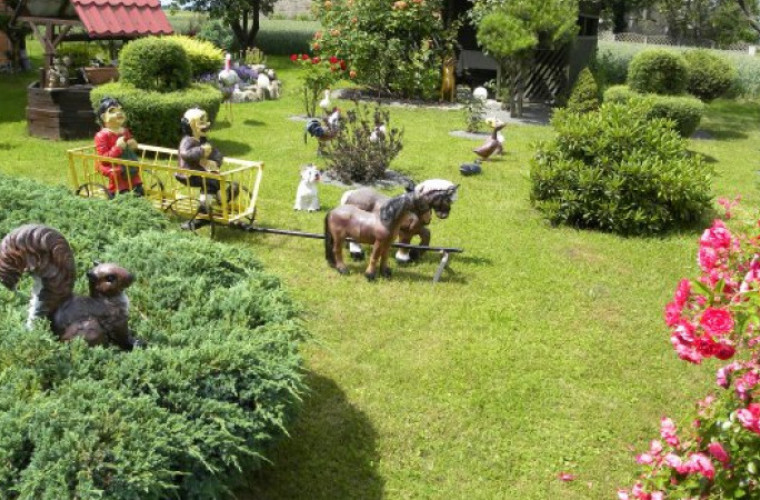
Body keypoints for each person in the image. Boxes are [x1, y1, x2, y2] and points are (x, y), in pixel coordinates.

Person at [94, 97, 143, 197]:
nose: (119, 113)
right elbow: (103, 159)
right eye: (112, 111)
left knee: (133, 166)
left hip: (124, 160)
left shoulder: (124, 131)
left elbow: (129, 144)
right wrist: (117, 148)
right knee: (117, 171)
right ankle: (117, 191)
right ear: (104, 117)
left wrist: (132, 144)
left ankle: (136, 185)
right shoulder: (102, 135)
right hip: (108, 164)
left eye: (120, 110)